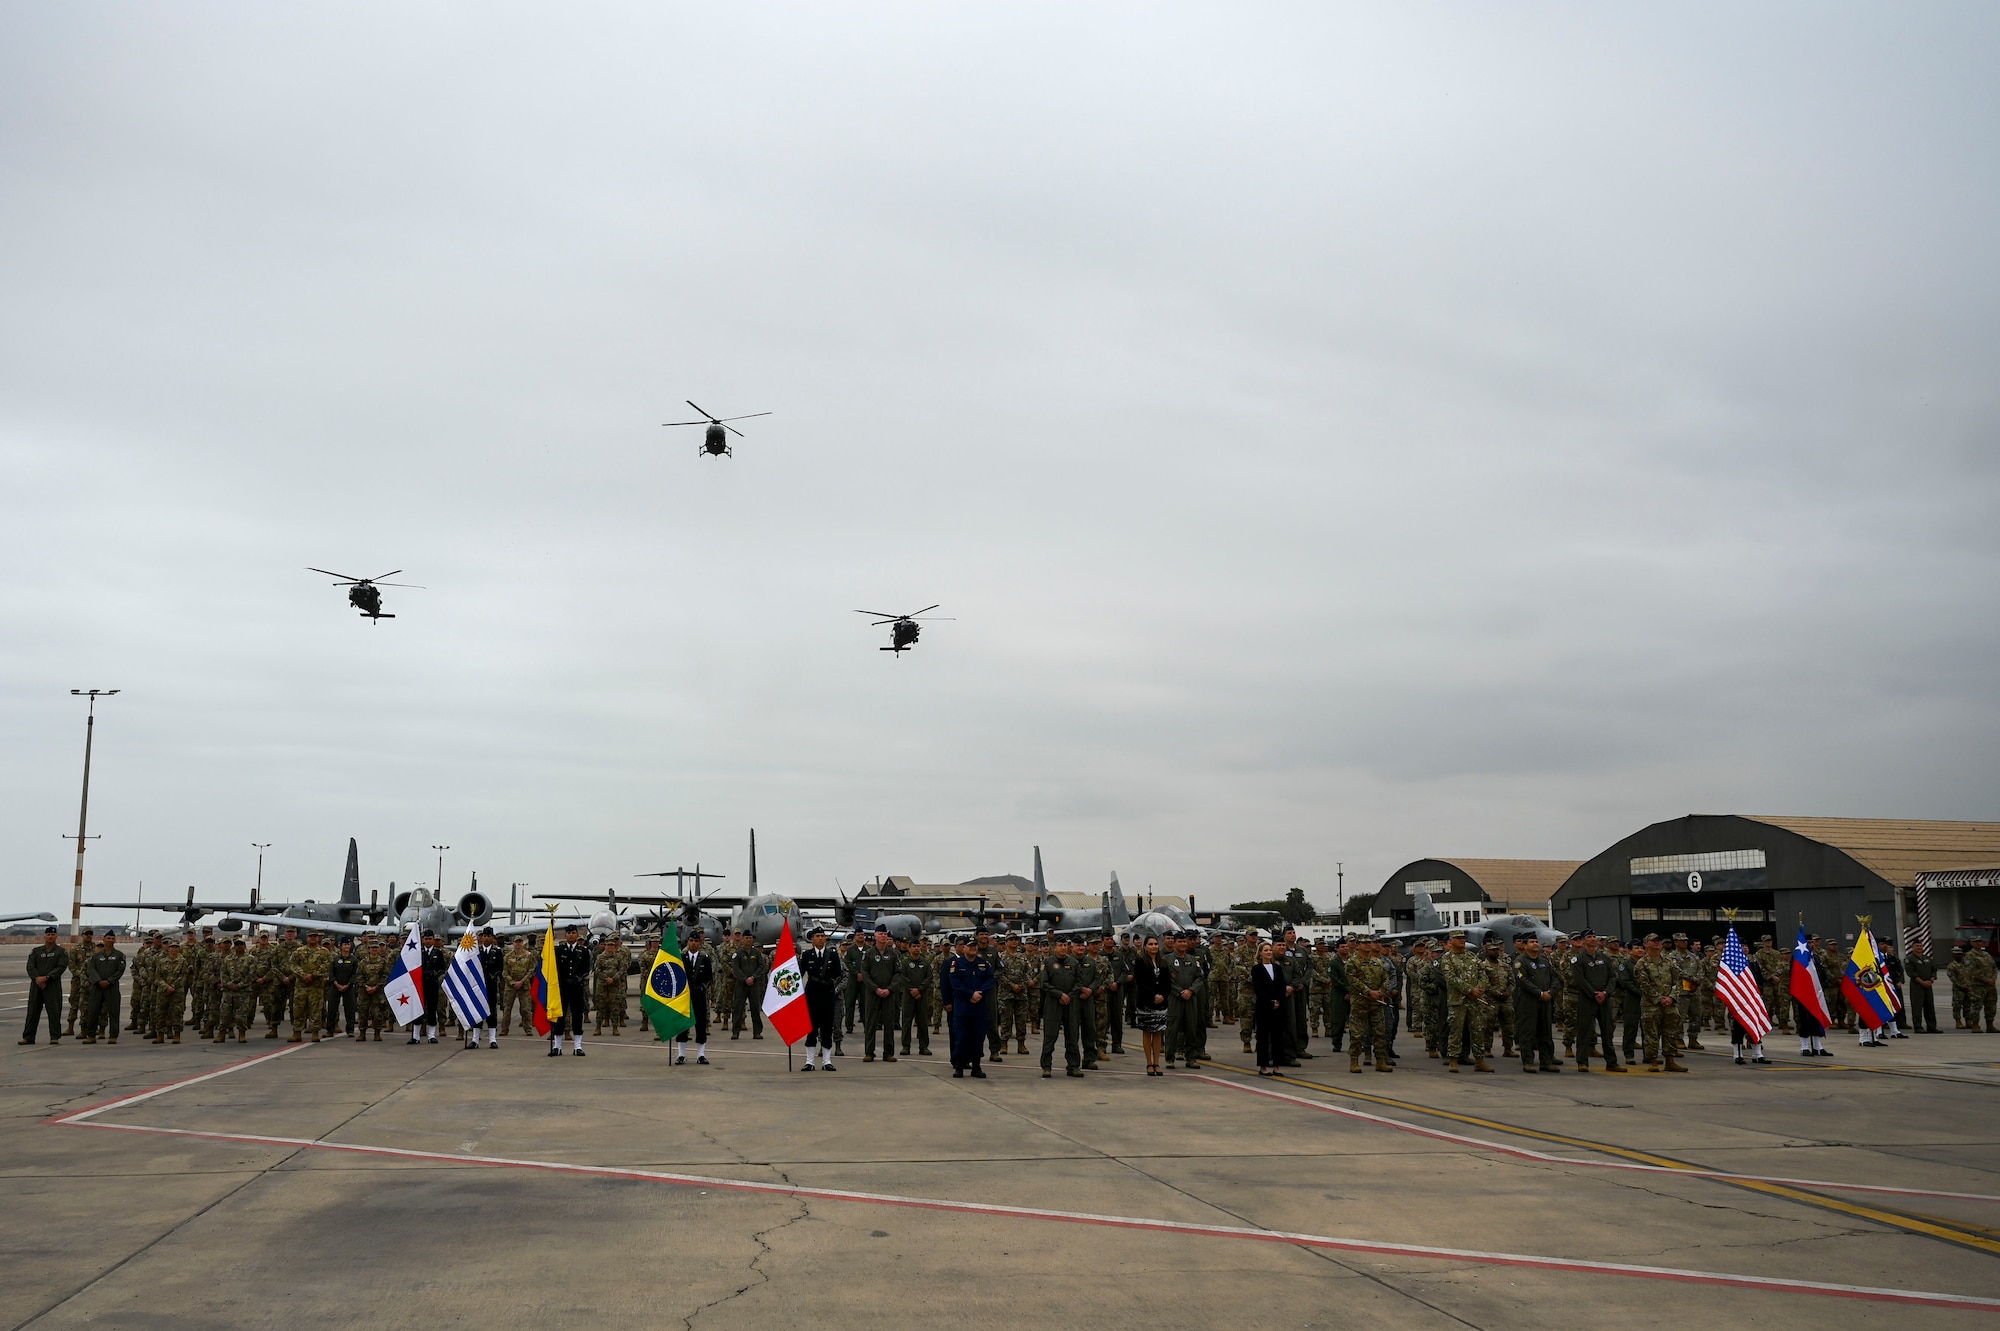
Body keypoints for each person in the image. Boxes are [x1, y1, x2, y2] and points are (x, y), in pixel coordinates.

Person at [1569, 933, 1624, 1072]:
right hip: (1588, 999)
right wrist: (1593, 994)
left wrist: (1605, 993)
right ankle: (1582, 1062)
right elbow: (1580, 980)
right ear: (1583, 941)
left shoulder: (1604, 957)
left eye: (1594, 937)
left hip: (1604, 999)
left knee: (1607, 1031)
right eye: (1589, 937)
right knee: (1585, 1031)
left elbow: (1612, 977)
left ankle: (1611, 1062)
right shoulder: (1578, 959)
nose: (1593, 939)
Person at [1635, 934, 1689, 1072]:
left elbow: (1677, 981)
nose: (1657, 943)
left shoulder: (1670, 962)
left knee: (1670, 1032)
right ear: (1646, 944)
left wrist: (1671, 997)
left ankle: (1670, 1061)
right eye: (1654, 941)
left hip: (1670, 1004)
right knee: (1651, 1034)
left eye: (1659, 941)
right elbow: (1644, 984)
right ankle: (1653, 1061)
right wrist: (1659, 998)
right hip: (1651, 1005)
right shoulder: (1642, 963)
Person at [945, 936, 996, 1078]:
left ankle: (976, 1067)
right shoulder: (957, 963)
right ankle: (959, 1067)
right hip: (963, 1008)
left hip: (979, 1008)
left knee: (978, 1038)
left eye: (975, 946)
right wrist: (970, 994)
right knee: (961, 1038)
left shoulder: (983, 964)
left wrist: (980, 993)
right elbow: (955, 983)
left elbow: (990, 979)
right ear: (964, 948)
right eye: (970, 946)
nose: (973, 948)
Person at [1039, 937, 1085, 1077]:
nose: (1063, 948)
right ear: (1055, 947)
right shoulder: (1047, 962)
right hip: (1053, 1003)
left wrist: (1069, 996)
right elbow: (1044, 984)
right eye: (1060, 945)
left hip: (1070, 1003)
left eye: (1065, 945)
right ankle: (1046, 1066)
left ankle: (1073, 1066)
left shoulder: (1074, 962)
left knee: (1072, 1035)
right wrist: (1059, 995)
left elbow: (1079, 982)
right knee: (1050, 1036)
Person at [1344, 940, 1392, 1074]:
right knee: (1357, 1033)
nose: (1367, 945)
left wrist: (1381, 991)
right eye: (1363, 943)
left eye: (1368, 942)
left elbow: (1386, 978)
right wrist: (1368, 992)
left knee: (1379, 1032)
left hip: (1376, 1003)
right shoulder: (1352, 962)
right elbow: (1353, 980)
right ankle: (1354, 1060)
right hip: (1360, 1003)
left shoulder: (1378, 962)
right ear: (1358, 945)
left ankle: (1380, 1061)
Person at [1512, 937, 1559, 1073]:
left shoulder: (1544, 961)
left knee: (1546, 1032)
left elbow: (1555, 977)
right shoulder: (1520, 962)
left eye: (1536, 941)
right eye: (1531, 942)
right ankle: (1528, 1061)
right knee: (1528, 1032)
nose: (1535, 944)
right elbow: (1522, 980)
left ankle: (1546, 1061)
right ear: (1525, 946)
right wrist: (1539, 993)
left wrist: (1551, 992)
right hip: (1528, 1002)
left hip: (1546, 1001)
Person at [800, 926, 843, 1070]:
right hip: (812, 996)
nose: (820, 938)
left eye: (822, 936)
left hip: (827, 995)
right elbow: (799, 974)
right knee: (811, 1028)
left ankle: (826, 1061)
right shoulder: (807, 955)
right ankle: (810, 1061)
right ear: (812, 939)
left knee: (826, 1028)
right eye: (817, 936)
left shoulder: (832, 955)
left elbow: (839, 974)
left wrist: (833, 983)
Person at [1164, 932, 1208, 1070]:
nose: (1182, 944)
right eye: (1180, 942)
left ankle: (1191, 1058)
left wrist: (1191, 990)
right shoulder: (1166, 960)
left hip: (1191, 999)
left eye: (1184, 942)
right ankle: (1170, 1058)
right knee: (1172, 1029)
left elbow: (1200, 977)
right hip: (1174, 998)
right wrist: (1179, 992)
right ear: (1174, 943)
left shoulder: (1193, 960)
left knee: (1191, 1028)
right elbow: (1166, 980)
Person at [1130, 934, 1173, 1076]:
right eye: (1150, 944)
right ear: (1145, 947)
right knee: (1147, 1031)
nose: (1154, 946)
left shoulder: (1164, 962)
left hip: (1161, 1003)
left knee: (1158, 1032)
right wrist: (1153, 995)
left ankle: (1157, 1063)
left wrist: (1162, 995)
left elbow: (1168, 983)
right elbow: (1140, 983)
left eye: (1155, 944)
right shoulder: (1140, 962)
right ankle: (1149, 1063)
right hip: (1146, 1002)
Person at [549, 923, 593, 1056]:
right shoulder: (559, 950)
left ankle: (577, 1047)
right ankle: (557, 1046)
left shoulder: (584, 951)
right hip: (562, 988)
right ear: (565, 935)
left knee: (577, 1016)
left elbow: (586, 969)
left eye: (573, 933)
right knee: (560, 1017)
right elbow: (554, 968)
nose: (571, 935)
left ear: (577, 934)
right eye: (568, 933)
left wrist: (577, 978)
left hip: (577, 987)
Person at [858, 928, 902, 1063]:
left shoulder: (893, 954)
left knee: (889, 1023)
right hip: (873, 993)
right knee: (871, 1023)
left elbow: (898, 973)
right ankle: (869, 1052)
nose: (883, 936)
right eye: (880, 934)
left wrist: (889, 989)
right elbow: (864, 973)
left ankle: (888, 1053)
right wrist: (876, 989)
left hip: (889, 994)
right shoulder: (869, 954)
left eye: (885, 934)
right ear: (875, 936)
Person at [21, 926, 69, 1046]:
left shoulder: (60, 952)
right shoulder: (36, 951)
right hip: (36, 985)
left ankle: (54, 1037)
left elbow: (61, 967)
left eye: (53, 935)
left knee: (54, 1011)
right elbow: (30, 966)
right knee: (32, 1011)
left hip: (52, 985)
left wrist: (47, 978)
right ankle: (28, 1037)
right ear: (44, 936)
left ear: (56, 936)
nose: (50, 937)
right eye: (48, 935)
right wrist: (37, 978)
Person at [678, 929, 717, 1064]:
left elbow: (709, 977)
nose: (693, 943)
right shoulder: (681, 958)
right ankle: (681, 1054)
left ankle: (701, 1054)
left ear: (700, 943)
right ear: (688, 942)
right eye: (691, 941)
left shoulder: (705, 959)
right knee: (683, 1024)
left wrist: (702, 987)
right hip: (685, 996)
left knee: (700, 1024)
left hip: (699, 995)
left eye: (695, 941)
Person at [81, 933, 127, 1045]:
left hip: (112, 987)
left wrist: (109, 981)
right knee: (93, 1011)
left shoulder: (119, 955)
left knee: (114, 1012)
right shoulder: (96, 956)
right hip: (97, 987)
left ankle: (113, 1036)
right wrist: (98, 981)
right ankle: (91, 1035)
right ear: (104, 940)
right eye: (108, 938)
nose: (110, 940)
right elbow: (91, 969)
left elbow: (120, 970)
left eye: (112, 938)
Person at [326, 939, 360, 1038]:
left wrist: (348, 984)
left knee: (350, 1009)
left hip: (348, 987)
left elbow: (355, 974)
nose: (346, 946)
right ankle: (330, 1030)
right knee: (332, 1008)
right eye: (344, 944)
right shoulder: (335, 959)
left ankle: (350, 1030)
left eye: (348, 944)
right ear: (341, 947)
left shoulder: (354, 960)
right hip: (336, 986)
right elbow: (331, 973)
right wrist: (336, 984)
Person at [1905, 939, 1939, 1034]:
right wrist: (1922, 982)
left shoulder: (1927, 958)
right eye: (1917, 946)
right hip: (1917, 986)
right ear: (1912, 947)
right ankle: (1918, 1027)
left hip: (1928, 986)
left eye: (1920, 946)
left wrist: (1932, 978)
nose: (1919, 948)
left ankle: (1932, 1027)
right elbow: (1911, 973)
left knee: (1929, 1007)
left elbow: (1934, 969)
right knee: (1917, 1007)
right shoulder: (1910, 959)